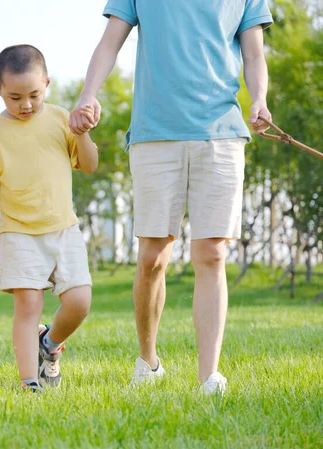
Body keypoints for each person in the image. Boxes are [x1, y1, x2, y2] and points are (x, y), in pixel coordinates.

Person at [69, 0, 274, 394]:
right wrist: (87, 94)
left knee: (212, 253)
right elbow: (109, 42)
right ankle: (148, 363)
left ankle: (208, 376)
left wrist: (259, 98)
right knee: (152, 256)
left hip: (221, 133)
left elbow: (253, 52)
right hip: (155, 133)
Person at [0, 45, 98, 392]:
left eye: (34, 95)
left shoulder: (60, 118)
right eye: (14, 97)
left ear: (47, 84)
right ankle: (30, 382)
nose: (25, 105)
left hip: (64, 228)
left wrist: (82, 132)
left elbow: (89, 165)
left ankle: (49, 343)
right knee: (28, 304)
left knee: (80, 301)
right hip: (18, 233)